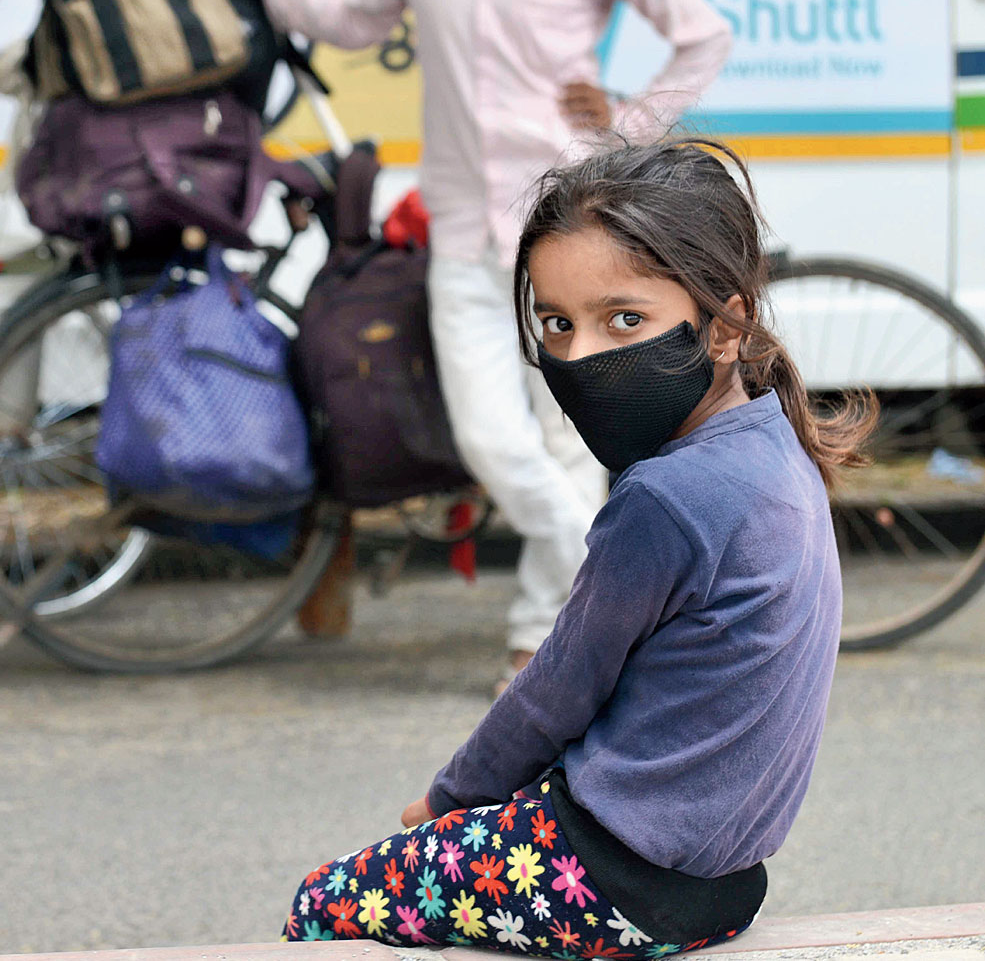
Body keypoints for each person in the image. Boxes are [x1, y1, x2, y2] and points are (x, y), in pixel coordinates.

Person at [205, 0, 732, 686]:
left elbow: (702, 33)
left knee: (570, 439)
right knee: (492, 440)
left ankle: (542, 642)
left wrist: (628, 123)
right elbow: (351, 21)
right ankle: (645, 579)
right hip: (458, 222)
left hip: (573, 224)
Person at [282, 137, 877, 954]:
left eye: (624, 319)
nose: (580, 356)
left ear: (722, 327)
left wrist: (447, 800)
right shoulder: (778, 448)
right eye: (557, 324)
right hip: (723, 884)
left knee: (324, 901)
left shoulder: (664, 497)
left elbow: (556, 688)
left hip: (608, 874)